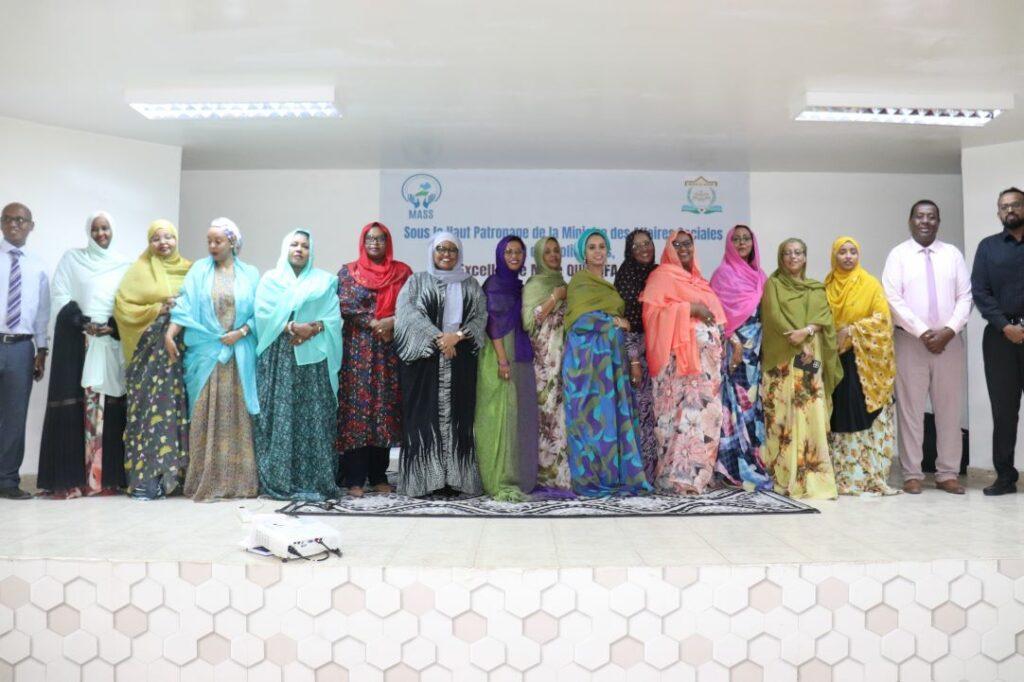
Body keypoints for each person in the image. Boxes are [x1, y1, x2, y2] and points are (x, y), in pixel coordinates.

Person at [38, 211, 131, 498]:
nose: (101, 234)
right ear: (88, 232)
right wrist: (82, 322)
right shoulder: (72, 259)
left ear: (113, 230)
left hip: (108, 343)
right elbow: (61, 294)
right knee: (76, 407)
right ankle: (72, 481)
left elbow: (128, 302)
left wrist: (113, 326)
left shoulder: (124, 265)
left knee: (107, 407)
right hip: (78, 343)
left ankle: (104, 481)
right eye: (95, 229)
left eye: (105, 228)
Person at [166, 218, 260, 502]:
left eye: (218, 241)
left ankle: (240, 483)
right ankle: (203, 480)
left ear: (232, 242)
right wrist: (170, 334)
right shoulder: (198, 271)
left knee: (238, 418)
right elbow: (183, 307)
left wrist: (241, 332)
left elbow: (260, 313)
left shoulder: (250, 274)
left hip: (238, 355)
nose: (212, 246)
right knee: (203, 415)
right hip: (205, 355)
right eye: (209, 241)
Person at [882, 200, 971, 495]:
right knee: (910, 409)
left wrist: (949, 330)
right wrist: (922, 332)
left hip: (949, 342)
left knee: (949, 409)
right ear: (910, 221)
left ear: (938, 222)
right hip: (910, 342)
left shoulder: (952, 254)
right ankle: (912, 473)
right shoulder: (898, 255)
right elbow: (892, 298)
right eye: (919, 216)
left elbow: (965, 296)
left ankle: (947, 473)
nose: (925, 221)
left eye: (931, 217)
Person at [394, 232, 486, 497]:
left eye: (452, 250)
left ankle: (455, 480)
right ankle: (425, 481)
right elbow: (406, 314)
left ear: (459, 254)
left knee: (459, 418)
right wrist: (438, 337)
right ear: (432, 252)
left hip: (460, 361)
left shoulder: (471, 284)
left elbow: (480, 316)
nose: (447, 254)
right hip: (424, 363)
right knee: (423, 418)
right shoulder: (417, 281)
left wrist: (457, 336)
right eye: (441, 249)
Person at [254, 230, 342, 501]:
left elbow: (333, 317)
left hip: (313, 359)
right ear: (286, 248)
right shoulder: (270, 280)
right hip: (280, 355)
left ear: (311, 251)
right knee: (281, 415)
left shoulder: (324, 281)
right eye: (294, 244)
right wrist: (292, 326)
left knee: (314, 415)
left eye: (305, 245)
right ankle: (281, 479)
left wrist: (312, 329)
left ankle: (316, 480)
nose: (299, 249)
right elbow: (262, 315)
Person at [563, 228, 651, 497]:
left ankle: (614, 476)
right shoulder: (579, 282)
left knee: (610, 420)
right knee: (590, 420)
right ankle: (591, 478)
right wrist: (613, 321)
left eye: (602, 246)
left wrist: (621, 326)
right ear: (583, 253)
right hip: (586, 364)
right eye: (592, 247)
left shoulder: (608, 285)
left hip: (611, 362)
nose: (598, 252)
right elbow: (579, 322)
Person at [640, 230, 726, 494]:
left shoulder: (699, 281)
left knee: (703, 419)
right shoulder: (660, 277)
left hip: (705, 372)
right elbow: (652, 316)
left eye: (687, 244)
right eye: (676, 245)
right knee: (678, 421)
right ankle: (674, 479)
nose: (683, 248)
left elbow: (718, 319)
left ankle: (697, 477)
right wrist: (690, 309)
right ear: (669, 249)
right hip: (675, 372)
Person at [114, 219, 191, 499]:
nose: (163, 243)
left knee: (179, 408)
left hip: (181, 350)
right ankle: (147, 480)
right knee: (150, 410)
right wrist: (158, 308)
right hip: (148, 352)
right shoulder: (138, 271)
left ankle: (178, 477)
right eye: (156, 238)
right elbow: (123, 307)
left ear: (176, 239)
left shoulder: (191, 270)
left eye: (168, 237)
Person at [760, 238, 841, 499]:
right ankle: (784, 473)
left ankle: (812, 474)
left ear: (805, 257)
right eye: (787, 253)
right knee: (783, 416)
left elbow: (824, 319)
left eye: (798, 252)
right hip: (783, 357)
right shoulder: (773, 284)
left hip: (809, 355)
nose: (793, 257)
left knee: (810, 410)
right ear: (780, 257)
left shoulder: (815, 288)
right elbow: (773, 317)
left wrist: (806, 332)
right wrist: (796, 340)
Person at [337, 222, 411, 497]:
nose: (375, 243)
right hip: (357, 350)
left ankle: (379, 474)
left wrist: (392, 321)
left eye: (381, 239)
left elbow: (411, 305)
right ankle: (354, 477)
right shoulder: (348, 272)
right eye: (370, 238)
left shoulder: (402, 273)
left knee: (384, 410)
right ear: (363, 242)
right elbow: (345, 304)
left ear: (388, 242)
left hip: (388, 350)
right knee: (356, 410)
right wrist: (374, 322)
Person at [825, 237, 899, 496]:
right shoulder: (827, 286)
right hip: (834, 361)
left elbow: (883, 320)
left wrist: (851, 330)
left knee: (860, 411)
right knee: (839, 415)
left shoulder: (870, 284)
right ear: (834, 256)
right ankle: (844, 476)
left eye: (853, 251)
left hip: (864, 360)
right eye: (842, 252)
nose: (848, 256)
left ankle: (868, 475)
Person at [709, 225, 773, 491]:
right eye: (736, 239)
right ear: (729, 244)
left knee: (752, 407)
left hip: (756, 353)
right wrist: (734, 342)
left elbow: (767, 315)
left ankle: (752, 461)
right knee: (732, 407)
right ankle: (730, 468)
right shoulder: (722, 275)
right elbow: (716, 315)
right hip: (733, 350)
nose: (742, 243)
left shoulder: (760, 276)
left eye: (746, 239)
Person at [476, 236, 539, 501]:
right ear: (500, 255)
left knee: (515, 415)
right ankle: (499, 476)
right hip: (499, 354)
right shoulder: (495, 284)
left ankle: (515, 471)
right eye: (509, 252)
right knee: (502, 412)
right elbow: (493, 325)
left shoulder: (516, 285)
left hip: (517, 353)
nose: (514, 256)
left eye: (519, 252)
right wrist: (502, 360)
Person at [972, 187, 1024, 496]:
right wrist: (1005, 326)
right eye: (1004, 207)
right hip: (999, 338)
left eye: (1015, 204)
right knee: (1004, 411)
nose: (1010, 210)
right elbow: (980, 291)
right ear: (998, 213)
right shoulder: (988, 247)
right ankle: (1005, 477)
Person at [0, 202, 48, 500]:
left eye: (20, 220)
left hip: (21, 349)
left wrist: (42, 349)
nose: (14, 224)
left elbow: (42, 312)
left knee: (15, 418)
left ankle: (7, 480)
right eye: (8, 219)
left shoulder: (38, 265)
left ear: (31, 226)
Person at [522, 237, 571, 493]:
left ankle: (562, 475)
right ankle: (543, 475)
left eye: (556, 251)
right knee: (546, 413)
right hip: (543, 360)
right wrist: (554, 297)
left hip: (564, 356)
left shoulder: (564, 282)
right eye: (547, 252)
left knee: (562, 414)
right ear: (539, 257)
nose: (553, 255)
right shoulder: (534, 285)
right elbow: (529, 321)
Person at [613, 229, 659, 480]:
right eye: (637, 245)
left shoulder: (660, 273)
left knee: (657, 413)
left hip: (659, 350)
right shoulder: (625, 275)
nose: (643, 249)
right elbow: (625, 323)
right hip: (635, 353)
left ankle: (655, 472)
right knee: (639, 411)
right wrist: (633, 359)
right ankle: (638, 473)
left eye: (647, 243)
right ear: (629, 251)